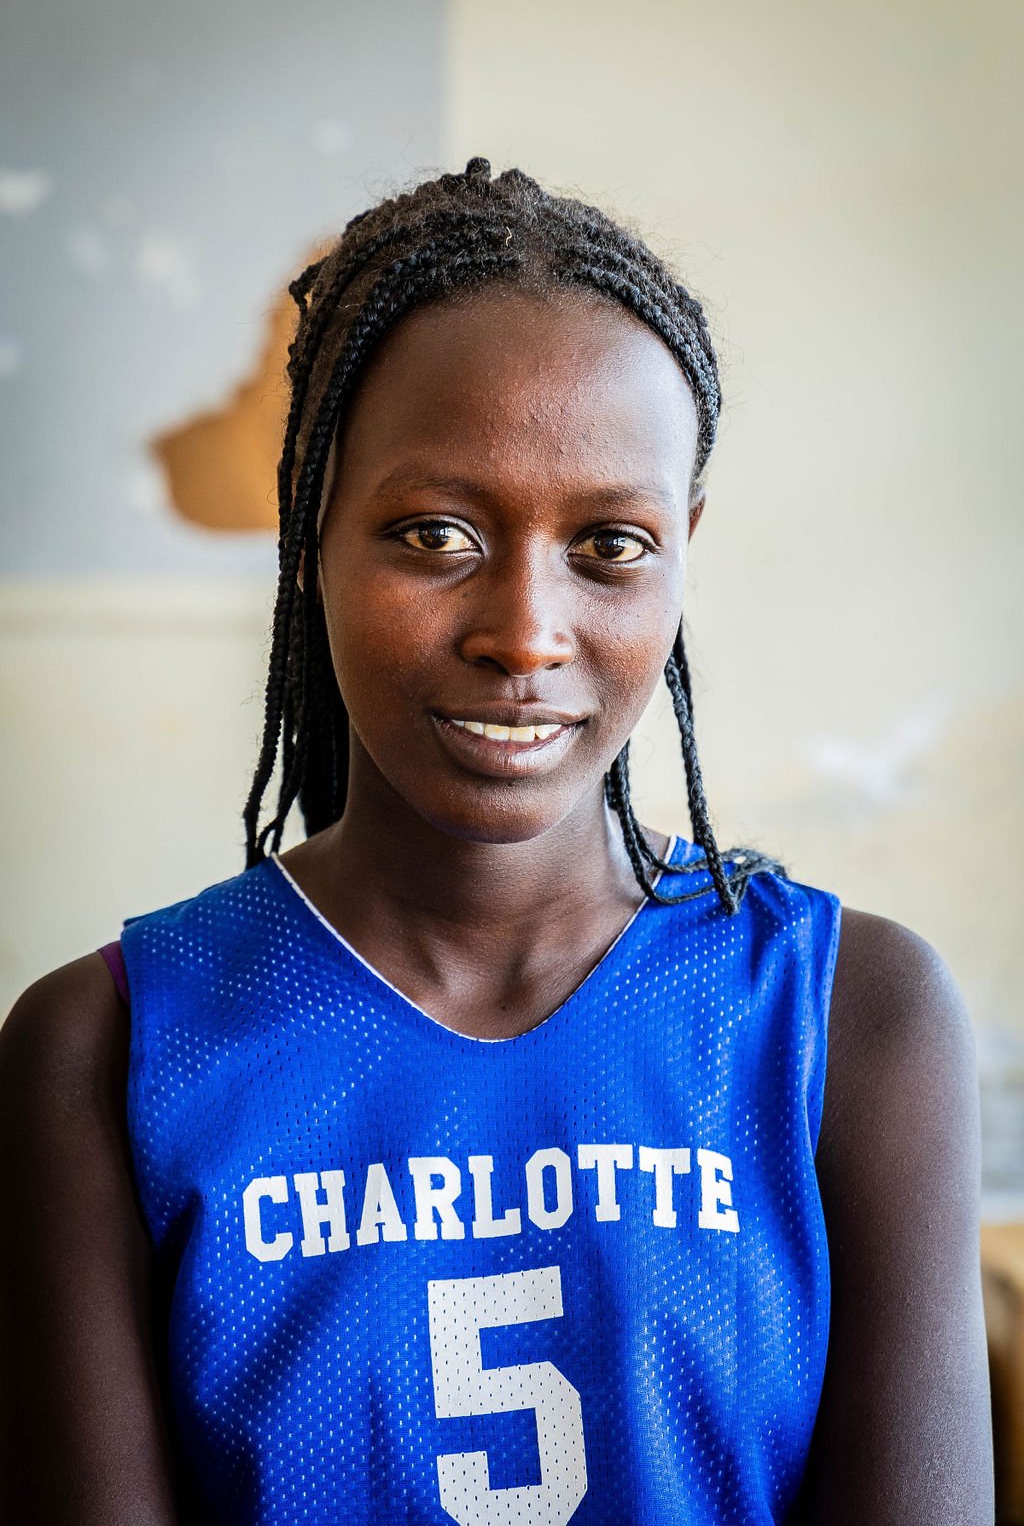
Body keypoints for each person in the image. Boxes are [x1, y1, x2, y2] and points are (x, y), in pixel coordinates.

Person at [0, 158, 993, 1525]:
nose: (525, 633)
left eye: (610, 545)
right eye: (436, 533)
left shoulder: (850, 1017)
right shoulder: (104, 1050)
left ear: (683, 550)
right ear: (311, 534)